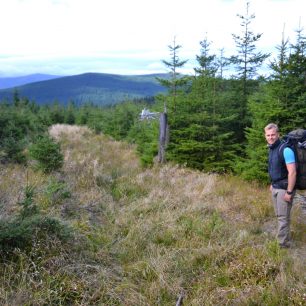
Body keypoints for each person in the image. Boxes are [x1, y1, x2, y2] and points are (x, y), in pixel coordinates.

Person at [264, 123, 296, 248]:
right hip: (276, 186)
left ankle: (282, 245)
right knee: (279, 216)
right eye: (268, 135)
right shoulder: (271, 148)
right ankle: (283, 239)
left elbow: (292, 172)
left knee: (283, 217)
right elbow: (274, 168)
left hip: (284, 188)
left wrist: (289, 192)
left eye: (273, 135)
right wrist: (272, 184)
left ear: (278, 134)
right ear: (265, 136)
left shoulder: (285, 149)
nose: (270, 137)